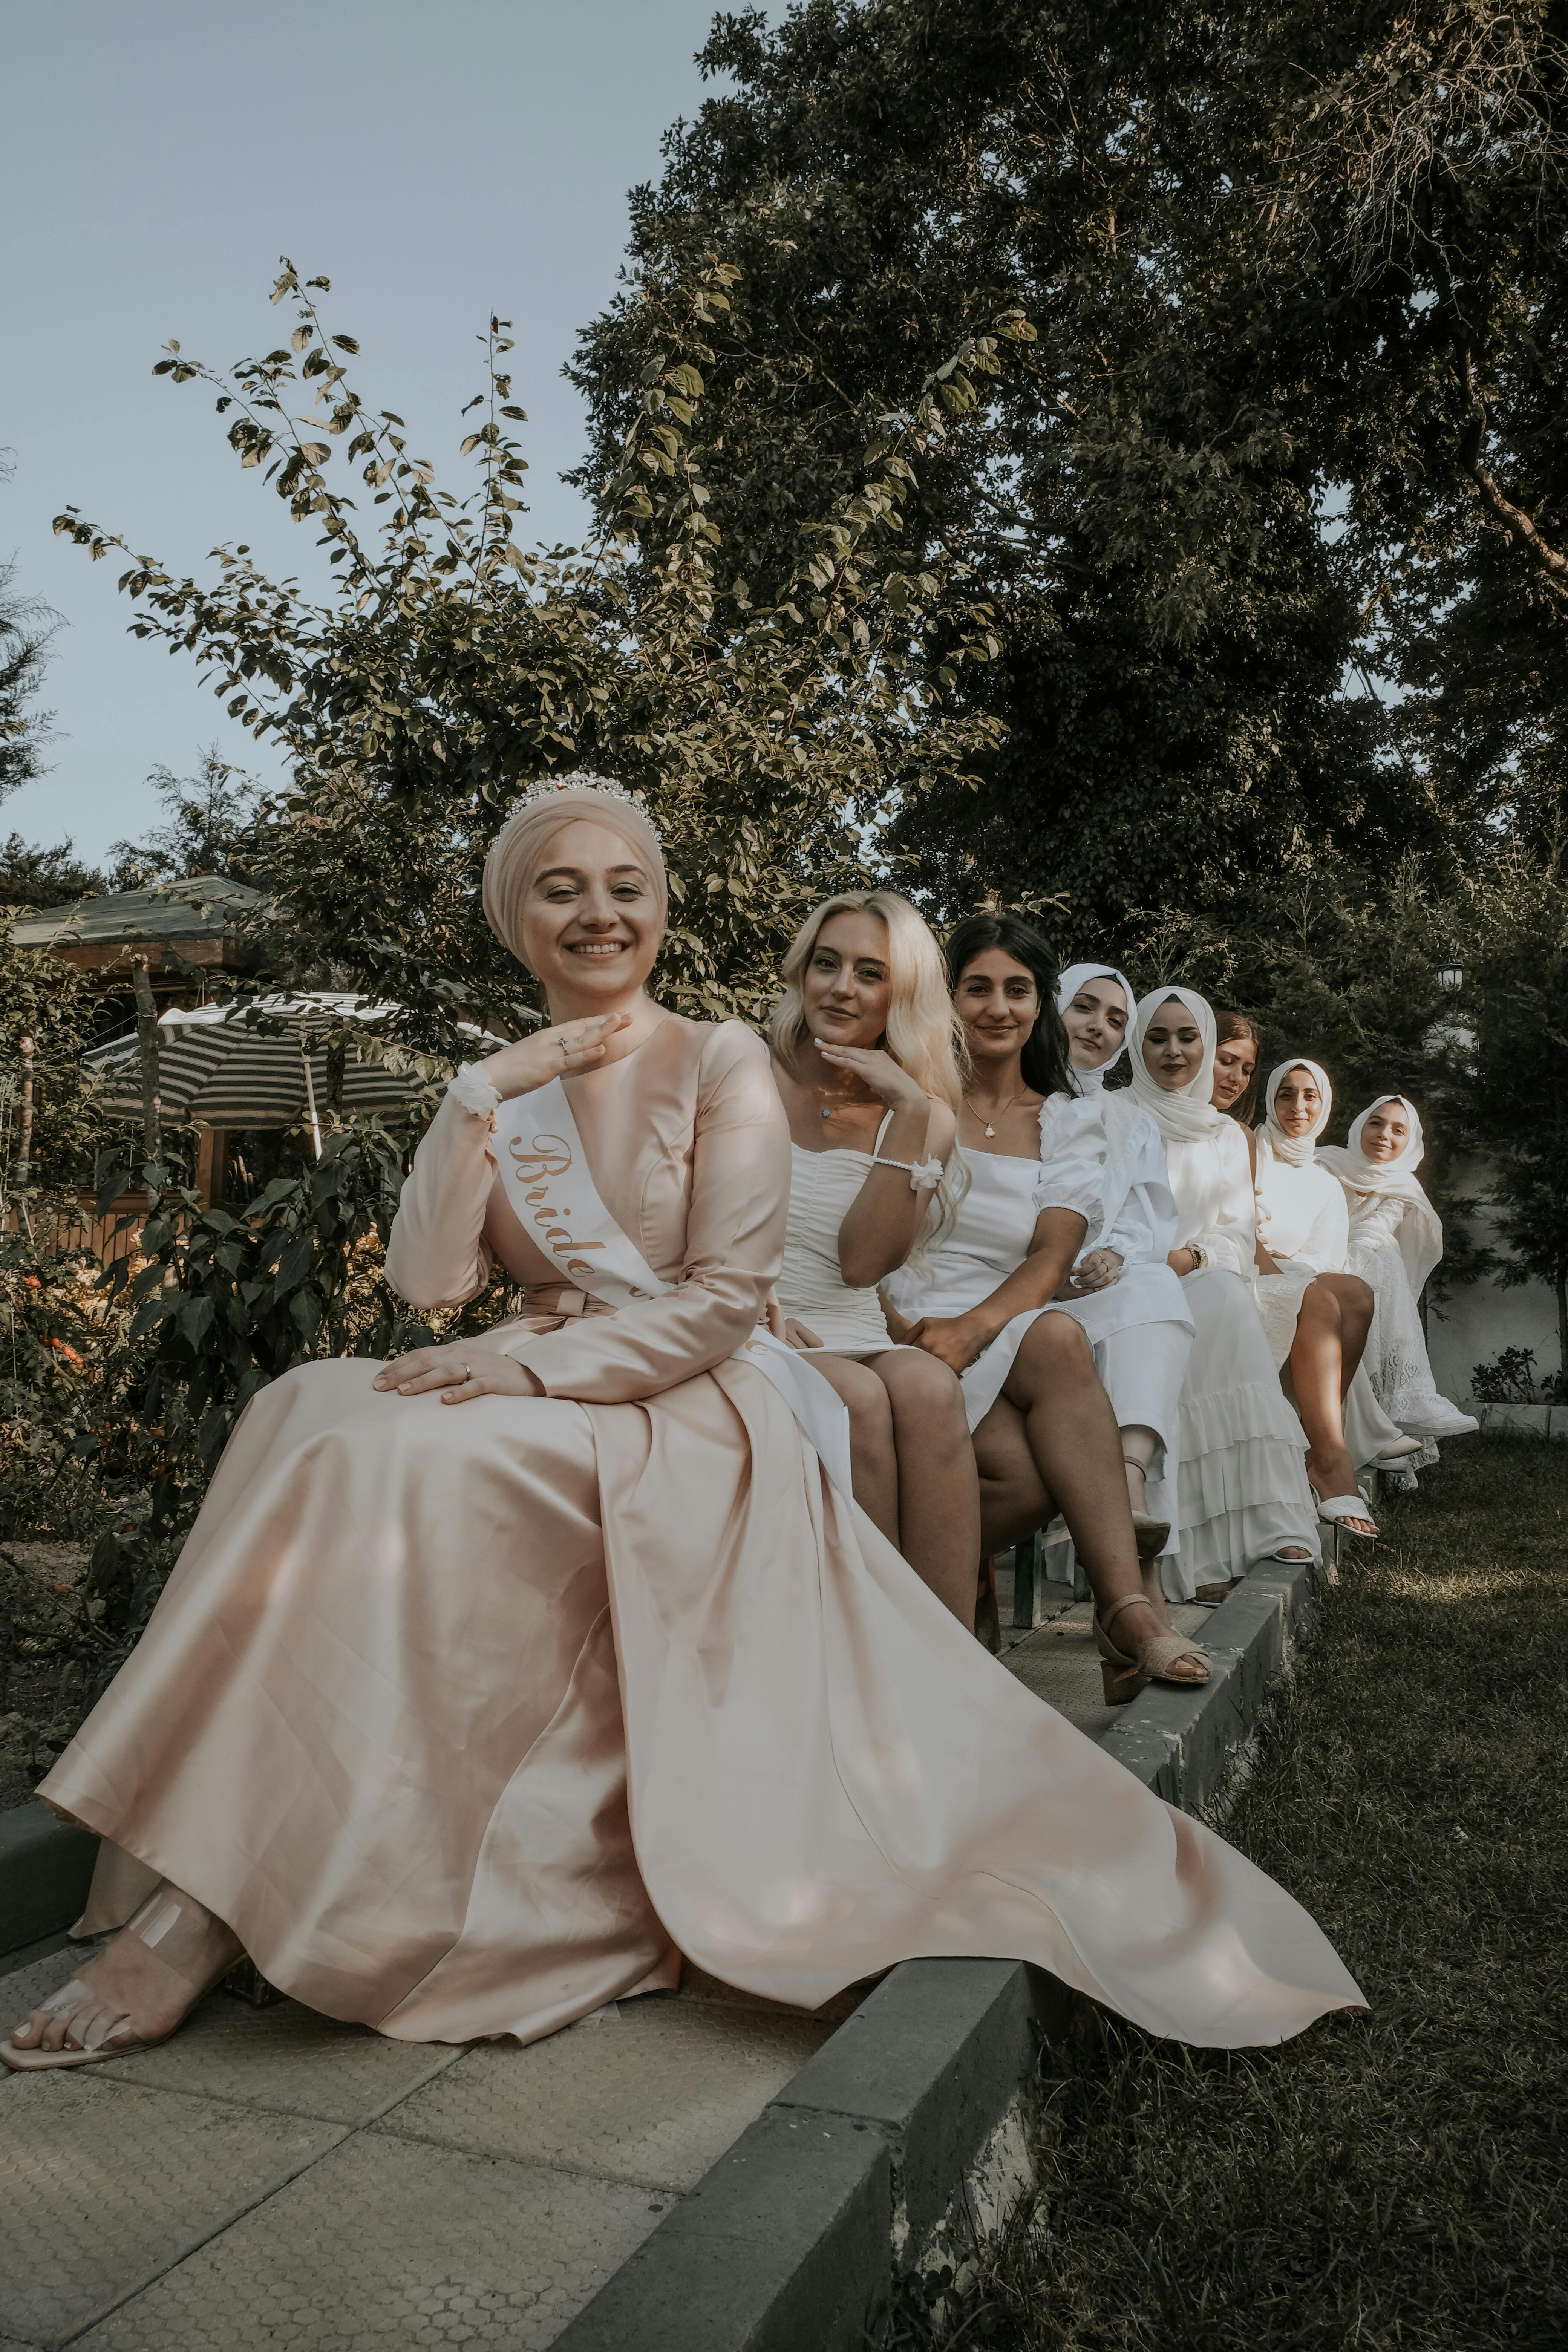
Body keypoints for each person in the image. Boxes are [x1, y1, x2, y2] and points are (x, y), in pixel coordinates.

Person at [5, 779, 1364, 2070]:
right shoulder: (507, 1082)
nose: (599, 913)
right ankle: (250, 1840)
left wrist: (533, 1376)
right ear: (513, 915)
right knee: (305, 1408)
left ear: (659, 905)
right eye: (560, 889)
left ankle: (206, 1913)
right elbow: (429, 1287)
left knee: (420, 1457)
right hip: (532, 1349)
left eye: (627, 886)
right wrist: (476, 1102)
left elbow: (724, 1306)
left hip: (688, 1392)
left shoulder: (718, 1060)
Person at [884, 921, 1206, 1697]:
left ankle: (1117, 1607)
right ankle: (1121, 1609)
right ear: (948, 996)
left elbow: (1050, 1257)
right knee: (1031, 1479)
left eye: (1017, 990)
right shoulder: (909, 1093)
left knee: (1056, 1332)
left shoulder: (1068, 1119)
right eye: (978, 987)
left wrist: (973, 1329)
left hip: (1004, 1317)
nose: (998, 1008)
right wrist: (917, 1329)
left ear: (1038, 1004)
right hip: (900, 1309)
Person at [767, 889, 980, 1624]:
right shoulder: (743, 1069)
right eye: (826, 964)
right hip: (761, 1320)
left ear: (902, 992)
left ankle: (953, 1661)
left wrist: (913, 1115)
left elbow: (863, 1264)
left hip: (850, 1318)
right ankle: (878, 1649)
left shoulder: (922, 1113)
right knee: (856, 1401)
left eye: (867, 972)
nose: (839, 987)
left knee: (928, 1387)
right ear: (802, 970)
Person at [1130, 990, 1321, 1597]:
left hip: (1199, 1272)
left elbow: (1236, 1235)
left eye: (1188, 1038)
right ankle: (1191, 1556)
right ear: (1136, 1043)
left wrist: (1187, 1258)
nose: (1173, 1051)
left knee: (1225, 1299)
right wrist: (1148, 1262)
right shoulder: (1111, 1114)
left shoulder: (1223, 1136)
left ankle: (1263, 1525)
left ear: (1205, 1045)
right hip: (1124, 1280)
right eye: (1157, 1037)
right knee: (1180, 1316)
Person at [1252, 1061, 1413, 1542]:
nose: (1296, 1107)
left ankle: (1318, 1436)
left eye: (1309, 1097)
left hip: (1294, 1275)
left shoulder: (1322, 1179)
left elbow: (1325, 1256)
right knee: (1318, 1298)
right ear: (1269, 1100)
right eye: (1285, 1094)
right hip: (1241, 1270)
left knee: (1356, 1295)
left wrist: (1287, 1262)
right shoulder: (1247, 1150)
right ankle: (1327, 1460)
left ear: (1324, 1106)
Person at [1319, 1095, 1479, 1468]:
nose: (1383, 1134)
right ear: (1359, 1124)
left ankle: (1379, 1420)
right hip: (1312, 1259)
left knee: (1381, 1257)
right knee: (1379, 1263)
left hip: (1357, 1270)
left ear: (1410, 1142)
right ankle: (1387, 1419)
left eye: (1397, 1129)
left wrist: (1347, 1269)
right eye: (1375, 1123)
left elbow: (1373, 1231)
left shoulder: (1402, 1186)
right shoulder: (1323, 1164)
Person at [1212, 1012, 1263, 1130]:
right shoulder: (1160, 1123)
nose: (1238, 1079)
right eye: (1227, 1061)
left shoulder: (1239, 1135)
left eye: (1247, 1071)